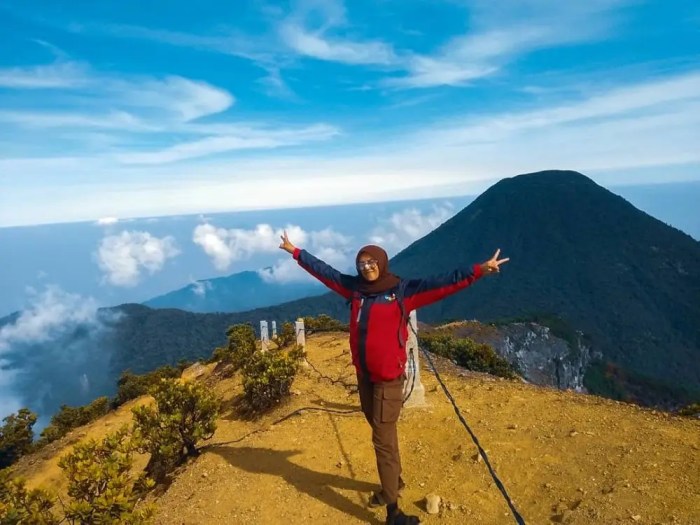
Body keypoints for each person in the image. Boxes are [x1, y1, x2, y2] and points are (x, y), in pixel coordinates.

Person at [279, 231, 509, 525]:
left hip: (388, 379)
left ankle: (393, 511)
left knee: (382, 439)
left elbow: (443, 282)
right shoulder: (354, 290)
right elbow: (326, 272)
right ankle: (394, 482)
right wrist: (296, 252)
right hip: (364, 376)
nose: (367, 267)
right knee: (379, 429)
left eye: (372, 261)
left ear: (382, 262)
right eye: (362, 263)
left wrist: (478, 270)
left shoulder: (402, 291)